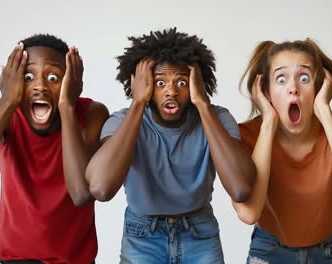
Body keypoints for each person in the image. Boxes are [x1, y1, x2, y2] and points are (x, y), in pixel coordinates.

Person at [85, 28, 256, 264]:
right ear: (143, 85)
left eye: (182, 82)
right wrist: (138, 103)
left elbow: (241, 189)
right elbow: (101, 188)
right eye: (160, 82)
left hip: (200, 234)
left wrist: (202, 103)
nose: (171, 91)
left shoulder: (217, 118)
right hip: (142, 236)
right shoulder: (122, 121)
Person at [0, 34, 109, 264]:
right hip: (14, 260)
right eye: (28, 76)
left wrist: (67, 107)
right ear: (13, 81)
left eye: (53, 77)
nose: (40, 86)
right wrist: (7, 102)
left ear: (70, 82)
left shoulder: (92, 114)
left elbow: (81, 194)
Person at [232, 39, 332, 264]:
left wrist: (324, 111)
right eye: (281, 80)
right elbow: (249, 213)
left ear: (319, 87)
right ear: (267, 92)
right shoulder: (247, 136)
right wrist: (268, 124)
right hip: (270, 249)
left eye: (304, 78)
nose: (293, 88)